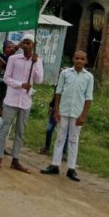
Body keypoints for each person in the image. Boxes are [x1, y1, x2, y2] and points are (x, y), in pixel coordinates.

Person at [0, 33, 44, 172]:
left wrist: (35, 64)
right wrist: (21, 84)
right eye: (24, 43)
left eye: (29, 43)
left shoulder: (37, 61)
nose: (26, 45)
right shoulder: (14, 59)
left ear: (33, 45)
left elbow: (38, 80)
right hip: (11, 99)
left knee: (20, 132)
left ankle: (15, 160)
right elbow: (7, 78)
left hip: (25, 101)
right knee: (4, 129)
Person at [41, 51, 94, 181]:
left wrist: (83, 115)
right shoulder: (65, 73)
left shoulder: (88, 77)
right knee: (60, 137)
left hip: (77, 112)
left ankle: (71, 168)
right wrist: (56, 110)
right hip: (63, 111)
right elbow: (58, 92)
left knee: (73, 140)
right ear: (73, 59)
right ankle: (55, 165)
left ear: (86, 61)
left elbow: (88, 98)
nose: (79, 61)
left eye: (82, 59)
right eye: (77, 58)